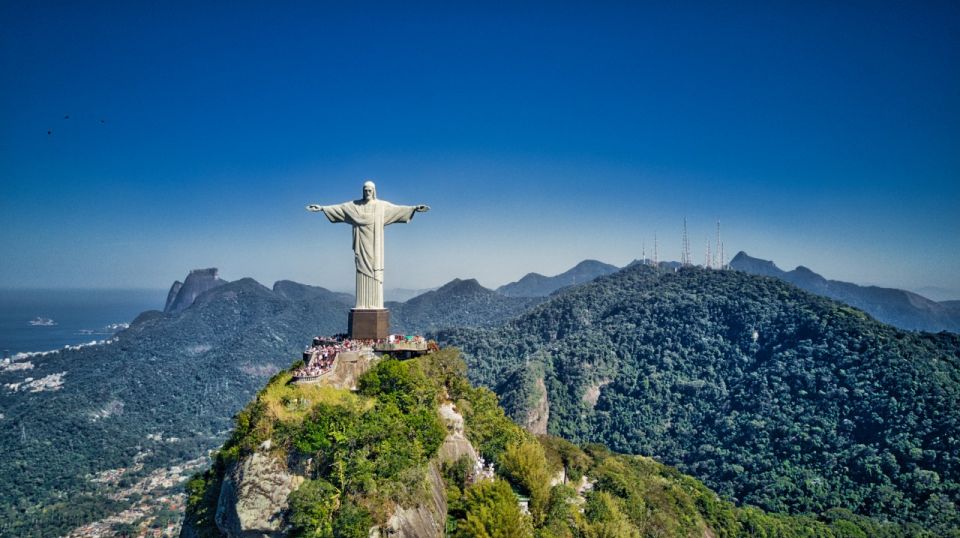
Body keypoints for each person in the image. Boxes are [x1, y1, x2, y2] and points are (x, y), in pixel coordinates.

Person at [307, 181, 429, 309]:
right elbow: (340, 208)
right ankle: (362, 304)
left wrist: (414, 208)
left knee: (375, 273)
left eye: (370, 190)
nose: (368, 192)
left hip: (375, 248)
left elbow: (397, 209)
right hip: (361, 246)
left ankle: (375, 304)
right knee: (361, 271)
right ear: (363, 191)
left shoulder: (381, 206)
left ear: (374, 191)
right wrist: (322, 208)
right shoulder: (355, 206)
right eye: (365, 190)